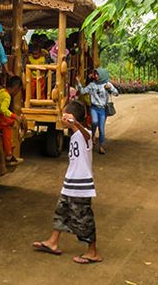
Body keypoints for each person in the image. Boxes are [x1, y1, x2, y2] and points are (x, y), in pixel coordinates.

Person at [32, 100, 102, 264]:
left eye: (64, 116)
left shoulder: (85, 135)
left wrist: (76, 123)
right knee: (61, 212)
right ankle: (53, 242)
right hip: (70, 184)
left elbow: (87, 135)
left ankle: (92, 252)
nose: (61, 119)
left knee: (83, 218)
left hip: (81, 187)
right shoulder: (73, 135)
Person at [76, 68, 118, 155]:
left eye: (97, 74)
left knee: (102, 129)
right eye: (95, 74)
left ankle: (101, 146)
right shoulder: (92, 85)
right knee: (94, 122)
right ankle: (93, 134)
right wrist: (78, 82)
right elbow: (83, 91)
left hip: (103, 109)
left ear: (102, 75)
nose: (95, 76)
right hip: (94, 108)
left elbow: (116, 93)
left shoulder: (107, 84)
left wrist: (110, 89)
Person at [0, 76, 24, 163]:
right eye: (19, 91)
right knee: (7, 128)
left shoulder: (1, 91)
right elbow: (3, 109)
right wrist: (15, 116)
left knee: (9, 122)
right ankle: (8, 154)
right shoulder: (7, 97)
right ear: (16, 88)